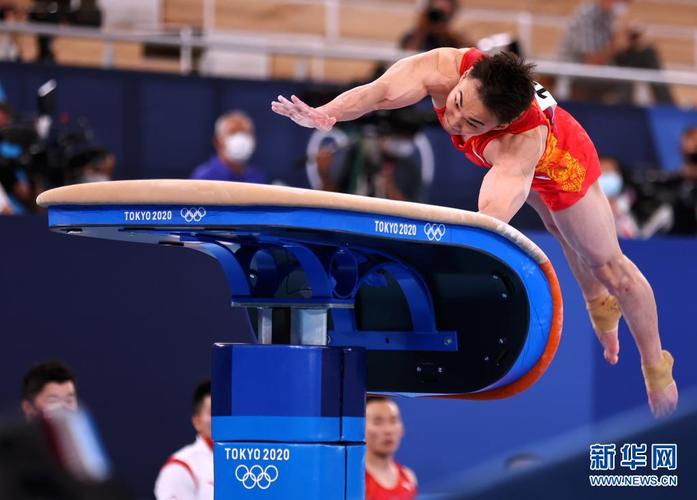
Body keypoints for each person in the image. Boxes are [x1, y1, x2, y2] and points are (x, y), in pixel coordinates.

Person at [271, 47, 678, 418]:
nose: (453, 119)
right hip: (519, 156)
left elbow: (490, 220)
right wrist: (329, 113)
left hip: (561, 160)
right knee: (559, 227)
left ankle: (655, 363)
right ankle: (599, 307)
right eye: (459, 102)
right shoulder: (443, 67)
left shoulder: (518, 144)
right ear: (466, 77)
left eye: (473, 123)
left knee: (605, 265)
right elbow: (379, 92)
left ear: (504, 124)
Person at [558, 0, 673, 104]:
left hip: (602, 65)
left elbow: (610, 48)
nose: (625, 5)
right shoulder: (587, 17)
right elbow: (592, 63)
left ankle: (669, 107)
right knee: (625, 76)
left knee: (647, 53)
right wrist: (617, 43)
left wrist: (628, 40)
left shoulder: (606, 16)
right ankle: (622, 118)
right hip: (579, 74)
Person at [154, 380, 213, 500]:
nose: (221, 419)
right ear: (197, 422)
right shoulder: (180, 467)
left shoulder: (247, 459)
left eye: (225, 413)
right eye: (213, 412)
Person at [190, 111, 267, 184]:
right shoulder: (204, 177)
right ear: (217, 141)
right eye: (233, 132)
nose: (240, 139)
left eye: (246, 133)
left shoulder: (257, 177)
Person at [364, 396, 417, 500]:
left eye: (393, 421)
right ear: (361, 429)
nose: (388, 430)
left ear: (402, 429)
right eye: (377, 422)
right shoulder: (354, 480)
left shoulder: (409, 477)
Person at [399, 0, 470, 52]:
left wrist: (446, 33)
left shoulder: (454, 38)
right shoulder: (412, 36)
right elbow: (407, 55)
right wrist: (422, 30)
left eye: (443, 15)